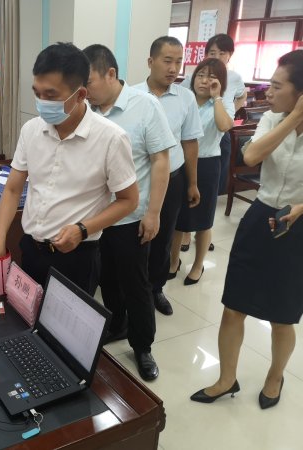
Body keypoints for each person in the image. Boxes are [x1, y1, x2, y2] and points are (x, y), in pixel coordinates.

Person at [191, 50, 303, 410]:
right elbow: (251, 157)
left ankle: (275, 376)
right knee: (234, 305)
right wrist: (294, 117)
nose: (268, 92)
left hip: (297, 225)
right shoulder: (272, 118)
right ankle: (227, 379)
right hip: (260, 217)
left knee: (282, 316)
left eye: (277, 86)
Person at [0, 42, 138, 296]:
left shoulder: (111, 138)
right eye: (37, 93)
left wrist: (83, 229)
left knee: (66, 322)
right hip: (31, 247)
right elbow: (12, 190)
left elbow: (129, 200)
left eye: (51, 95)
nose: (42, 102)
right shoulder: (31, 130)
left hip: (77, 257)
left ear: (80, 95)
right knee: (24, 317)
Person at [83, 44, 173, 381]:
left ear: (110, 74)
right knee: (107, 278)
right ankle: (117, 323)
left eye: (88, 82)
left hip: (131, 217)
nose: (84, 90)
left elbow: (160, 161)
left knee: (136, 284)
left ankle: (142, 346)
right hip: (97, 217)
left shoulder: (144, 106)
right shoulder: (87, 109)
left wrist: (154, 213)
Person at [134, 36, 203, 316]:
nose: (174, 68)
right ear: (151, 62)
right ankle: (132, 290)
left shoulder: (186, 98)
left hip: (172, 179)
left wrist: (193, 183)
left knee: (163, 237)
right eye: (167, 61)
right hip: (137, 179)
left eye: (178, 62)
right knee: (134, 236)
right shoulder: (132, 95)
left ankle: (155, 289)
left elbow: (190, 142)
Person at [180, 33, 247, 252]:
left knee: (206, 201)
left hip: (215, 139)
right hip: (187, 150)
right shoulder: (191, 86)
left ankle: (202, 235)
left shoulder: (232, 78)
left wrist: (222, 102)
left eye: (221, 53)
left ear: (229, 55)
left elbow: (240, 100)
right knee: (183, 203)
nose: (216, 56)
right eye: (211, 52)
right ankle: (185, 235)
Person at [169, 59, 233, 285]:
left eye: (211, 77)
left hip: (207, 166)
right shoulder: (184, 100)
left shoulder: (222, 103)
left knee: (204, 221)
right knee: (177, 218)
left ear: (220, 82)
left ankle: (198, 266)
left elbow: (224, 126)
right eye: (200, 75)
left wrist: (217, 98)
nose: (204, 81)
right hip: (180, 163)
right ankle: (173, 262)